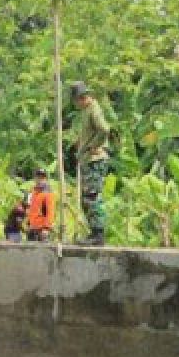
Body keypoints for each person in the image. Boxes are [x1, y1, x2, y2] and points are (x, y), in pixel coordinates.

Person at [71, 82, 112, 246]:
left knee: (92, 197)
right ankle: (94, 232)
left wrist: (95, 145)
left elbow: (104, 129)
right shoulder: (87, 111)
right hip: (88, 159)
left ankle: (98, 233)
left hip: (95, 160)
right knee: (86, 198)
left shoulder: (93, 109)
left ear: (81, 98)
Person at [25, 168, 56, 242]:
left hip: (42, 230)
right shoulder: (33, 192)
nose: (40, 179)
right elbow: (31, 209)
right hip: (32, 228)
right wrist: (28, 223)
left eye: (42, 177)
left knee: (41, 252)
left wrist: (46, 228)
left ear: (45, 179)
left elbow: (50, 212)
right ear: (35, 178)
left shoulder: (48, 193)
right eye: (38, 177)